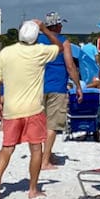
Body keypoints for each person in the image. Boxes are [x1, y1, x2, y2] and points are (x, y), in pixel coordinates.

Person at [0, 19, 65, 199]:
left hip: (11, 109)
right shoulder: (39, 51)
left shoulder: (6, 52)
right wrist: (45, 29)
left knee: (7, 147)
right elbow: (59, 47)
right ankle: (33, 189)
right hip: (33, 109)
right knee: (36, 149)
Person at [37, 11, 82, 170]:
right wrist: (78, 86)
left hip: (37, 87)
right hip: (57, 87)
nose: (62, 26)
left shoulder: (36, 41)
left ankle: (45, 155)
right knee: (52, 125)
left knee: (41, 125)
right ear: (55, 25)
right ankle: (44, 162)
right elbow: (70, 66)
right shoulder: (63, 42)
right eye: (60, 24)